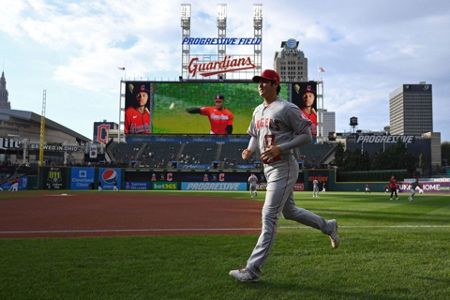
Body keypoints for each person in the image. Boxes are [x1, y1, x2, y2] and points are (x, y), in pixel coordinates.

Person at [229, 69, 340, 283]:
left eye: (264, 81)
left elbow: (307, 136)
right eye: (259, 82)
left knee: (269, 215)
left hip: (284, 166)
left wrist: (281, 148)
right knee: (289, 212)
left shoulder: (286, 108)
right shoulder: (257, 110)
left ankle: (252, 270)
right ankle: (328, 226)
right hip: (268, 168)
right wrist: (249, 150)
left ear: (275, 84)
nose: (260, 85)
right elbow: (255, 135)